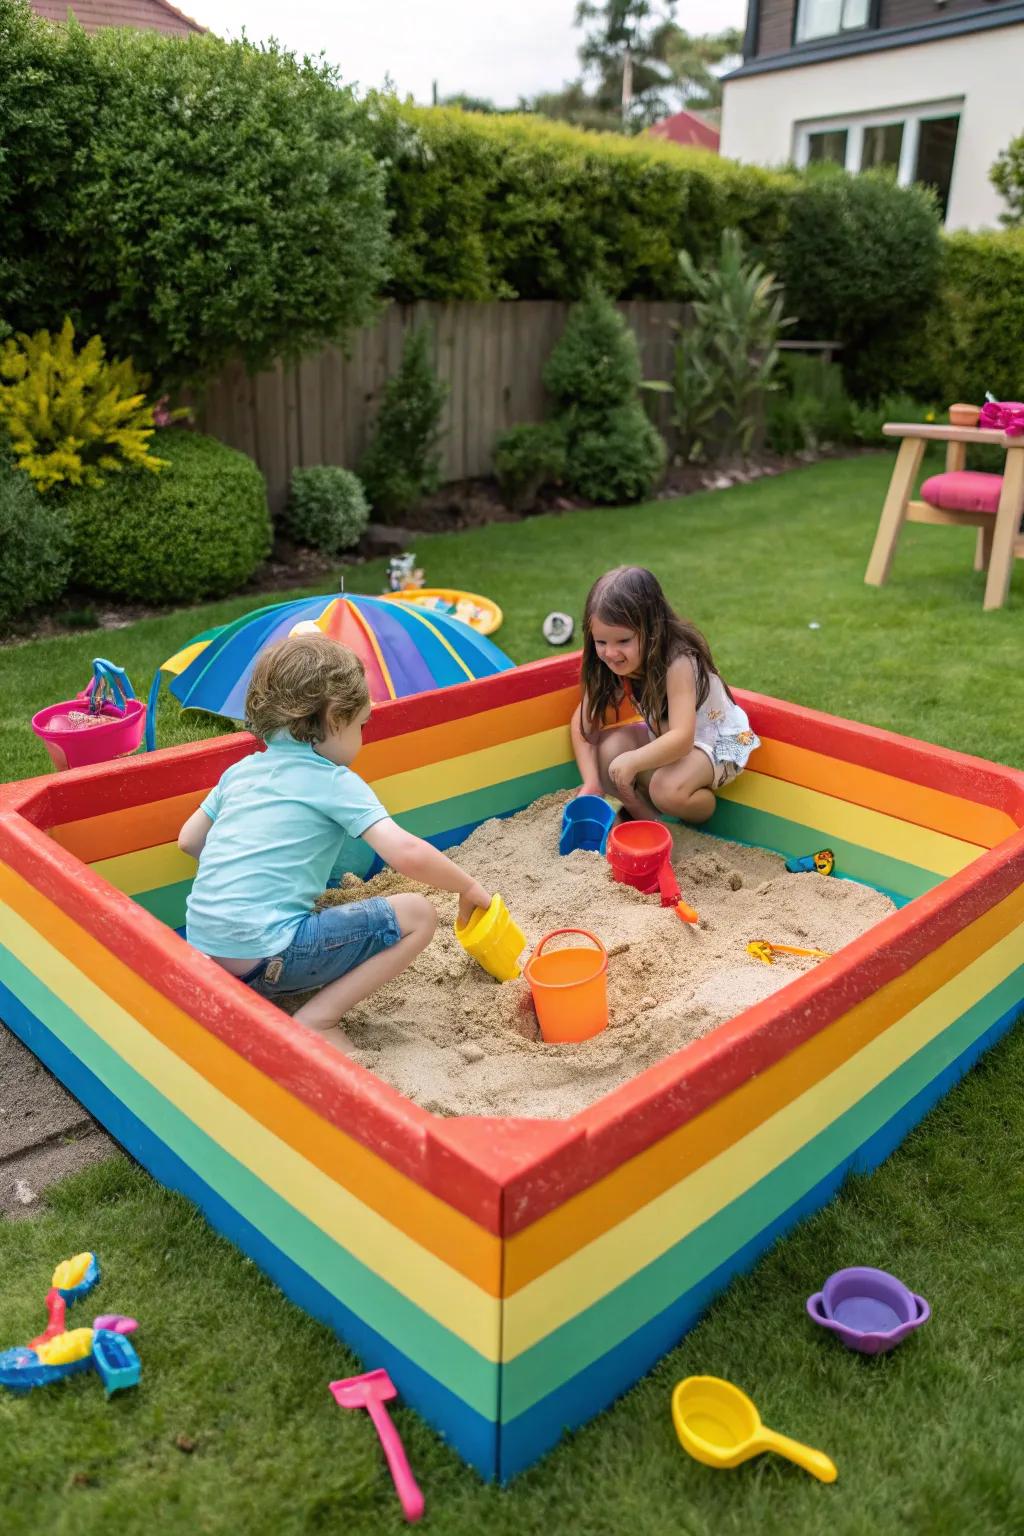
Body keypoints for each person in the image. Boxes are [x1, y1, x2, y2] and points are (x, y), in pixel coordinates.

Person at [178, 633, 492, 1052]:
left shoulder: (241, 772)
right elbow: (404, 853)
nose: (364, 736)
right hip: (270, 956)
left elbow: (188, 840)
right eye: (362, 724)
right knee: (419, 914)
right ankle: (319, 1019)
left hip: (205, 954)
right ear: (334, 720)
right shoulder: (334, 781)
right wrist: (467, 886)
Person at [570, 566, 759, 825]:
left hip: (716, 741)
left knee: (665, 789)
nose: (611, 653)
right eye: (601, 642)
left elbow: (682, 739)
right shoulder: (612, 661)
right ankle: (651, 822)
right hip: (666, 734)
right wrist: (592, 783)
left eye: (623, 641)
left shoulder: (678, 661)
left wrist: (634, 760)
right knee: (607, 752)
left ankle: (702, 810)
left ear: (652, 630)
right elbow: (583, 724)